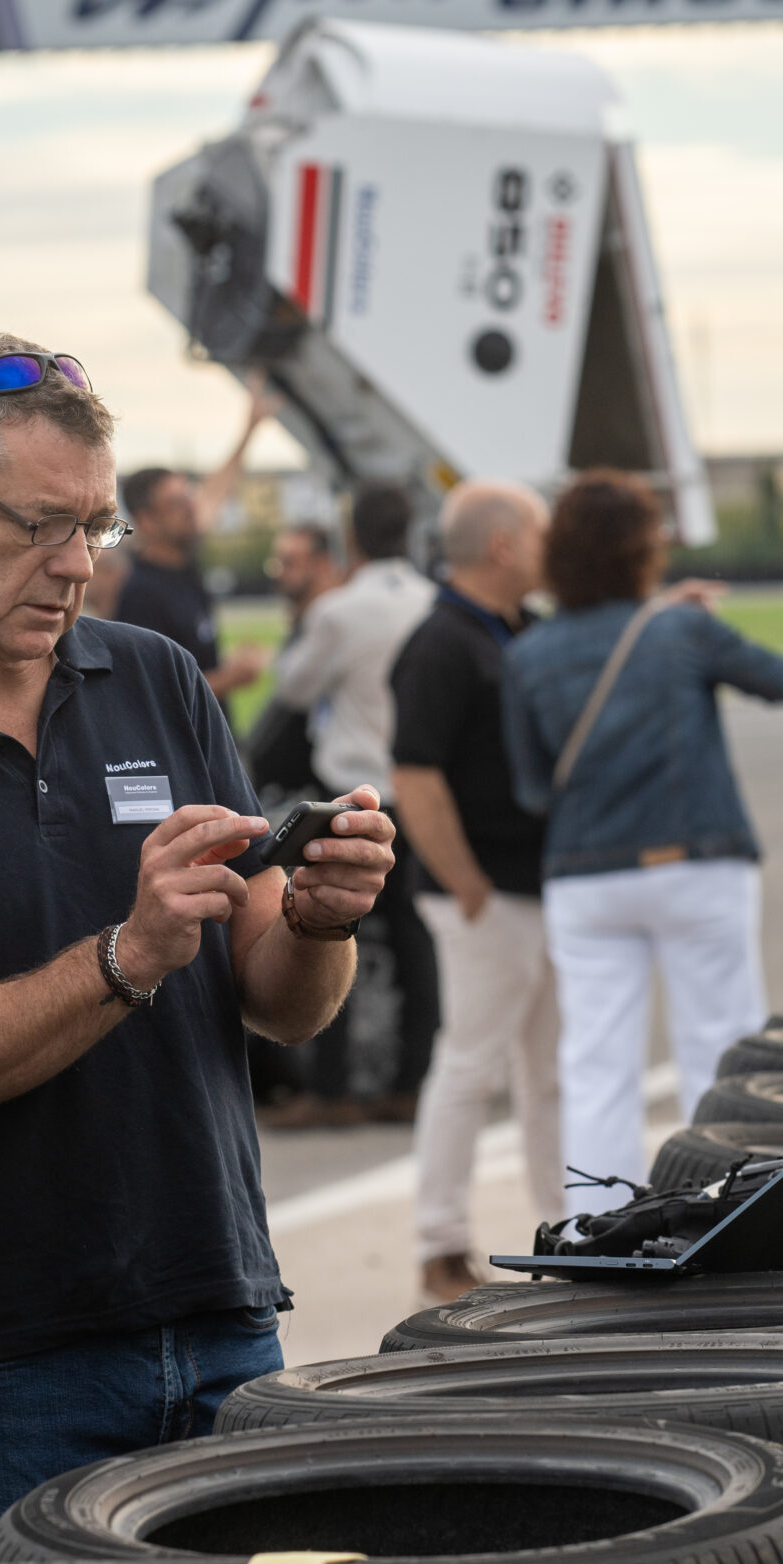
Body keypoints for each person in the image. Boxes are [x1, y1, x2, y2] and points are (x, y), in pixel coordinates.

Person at [0, 333, 394, 1564]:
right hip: (1, 1365)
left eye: (97, 528)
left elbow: (281, 1001)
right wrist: (127, 955)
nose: (76, 566)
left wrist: (320, 919)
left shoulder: (155, 679)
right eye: (42, 525)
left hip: (222, 1315)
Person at [502, 471, 783, 1196]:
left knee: (595, 1064)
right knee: (719, 1051)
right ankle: (728, 1214)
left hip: (584, 872)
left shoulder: (528, 653)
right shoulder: (679, 627)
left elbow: (532, 787)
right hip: (695, 858)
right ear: (642, 548)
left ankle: (592, 1227)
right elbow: (781, 679)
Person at [391, 484, 560, 1301]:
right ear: (501, 546)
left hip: (533, 886)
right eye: (537, 531)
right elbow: (413, 774)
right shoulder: (441, 642)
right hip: (485, 890)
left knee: (548, 1070)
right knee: (470, 1063)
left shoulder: (516, 629)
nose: (547, 544)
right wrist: (465, 884)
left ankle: (569, 1224)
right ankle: (438, 1242)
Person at [263, 483, 439, 1129]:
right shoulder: (428, 601)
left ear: (353, 539)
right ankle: (410, 1082)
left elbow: (292, 684)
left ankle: (332, 1090)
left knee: (328, 933)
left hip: (355, 793)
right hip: (417, 794)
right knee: (417, 946)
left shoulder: (340, 610)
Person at [116, 377, 273, 700]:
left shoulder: (183, 566)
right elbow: (157, 696)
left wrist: (250, 429)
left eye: (189, 498)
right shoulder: (142, 595)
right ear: (147, 520)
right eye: (176, 504)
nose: (191, 510)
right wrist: (232, 676)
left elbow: (217, 490)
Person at [242, 522, 342, 804]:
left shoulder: (335, 624)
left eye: (289, 562)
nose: (277, 572)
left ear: (322, 564)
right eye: (275, 561)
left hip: (324, 790)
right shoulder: (305, 622)